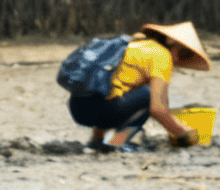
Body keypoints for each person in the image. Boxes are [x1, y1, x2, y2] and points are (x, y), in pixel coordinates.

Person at [68, 22, 208, 152]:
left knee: (126, 95)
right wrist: (184, 134)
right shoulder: (162, 56)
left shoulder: (135, 45)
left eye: (185, 56)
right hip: (103, 109)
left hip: (77, 107)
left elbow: (106, 89)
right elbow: (157, 109)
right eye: (184, 53)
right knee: (147, 97)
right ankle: (116, 142)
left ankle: (98, 142)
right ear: (170, 42)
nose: (177, 60)